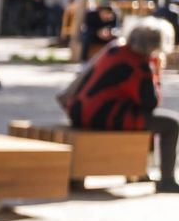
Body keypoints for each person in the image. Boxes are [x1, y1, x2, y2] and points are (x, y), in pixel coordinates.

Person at [66, 17, 178, 192]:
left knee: (145, 117)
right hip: (103, 115)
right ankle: (167, 181)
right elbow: (150, 103)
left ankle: (140, 170)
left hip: (79, 111)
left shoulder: (115, 48)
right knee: (171, 124)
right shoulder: (139, 63)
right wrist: (155, 72)